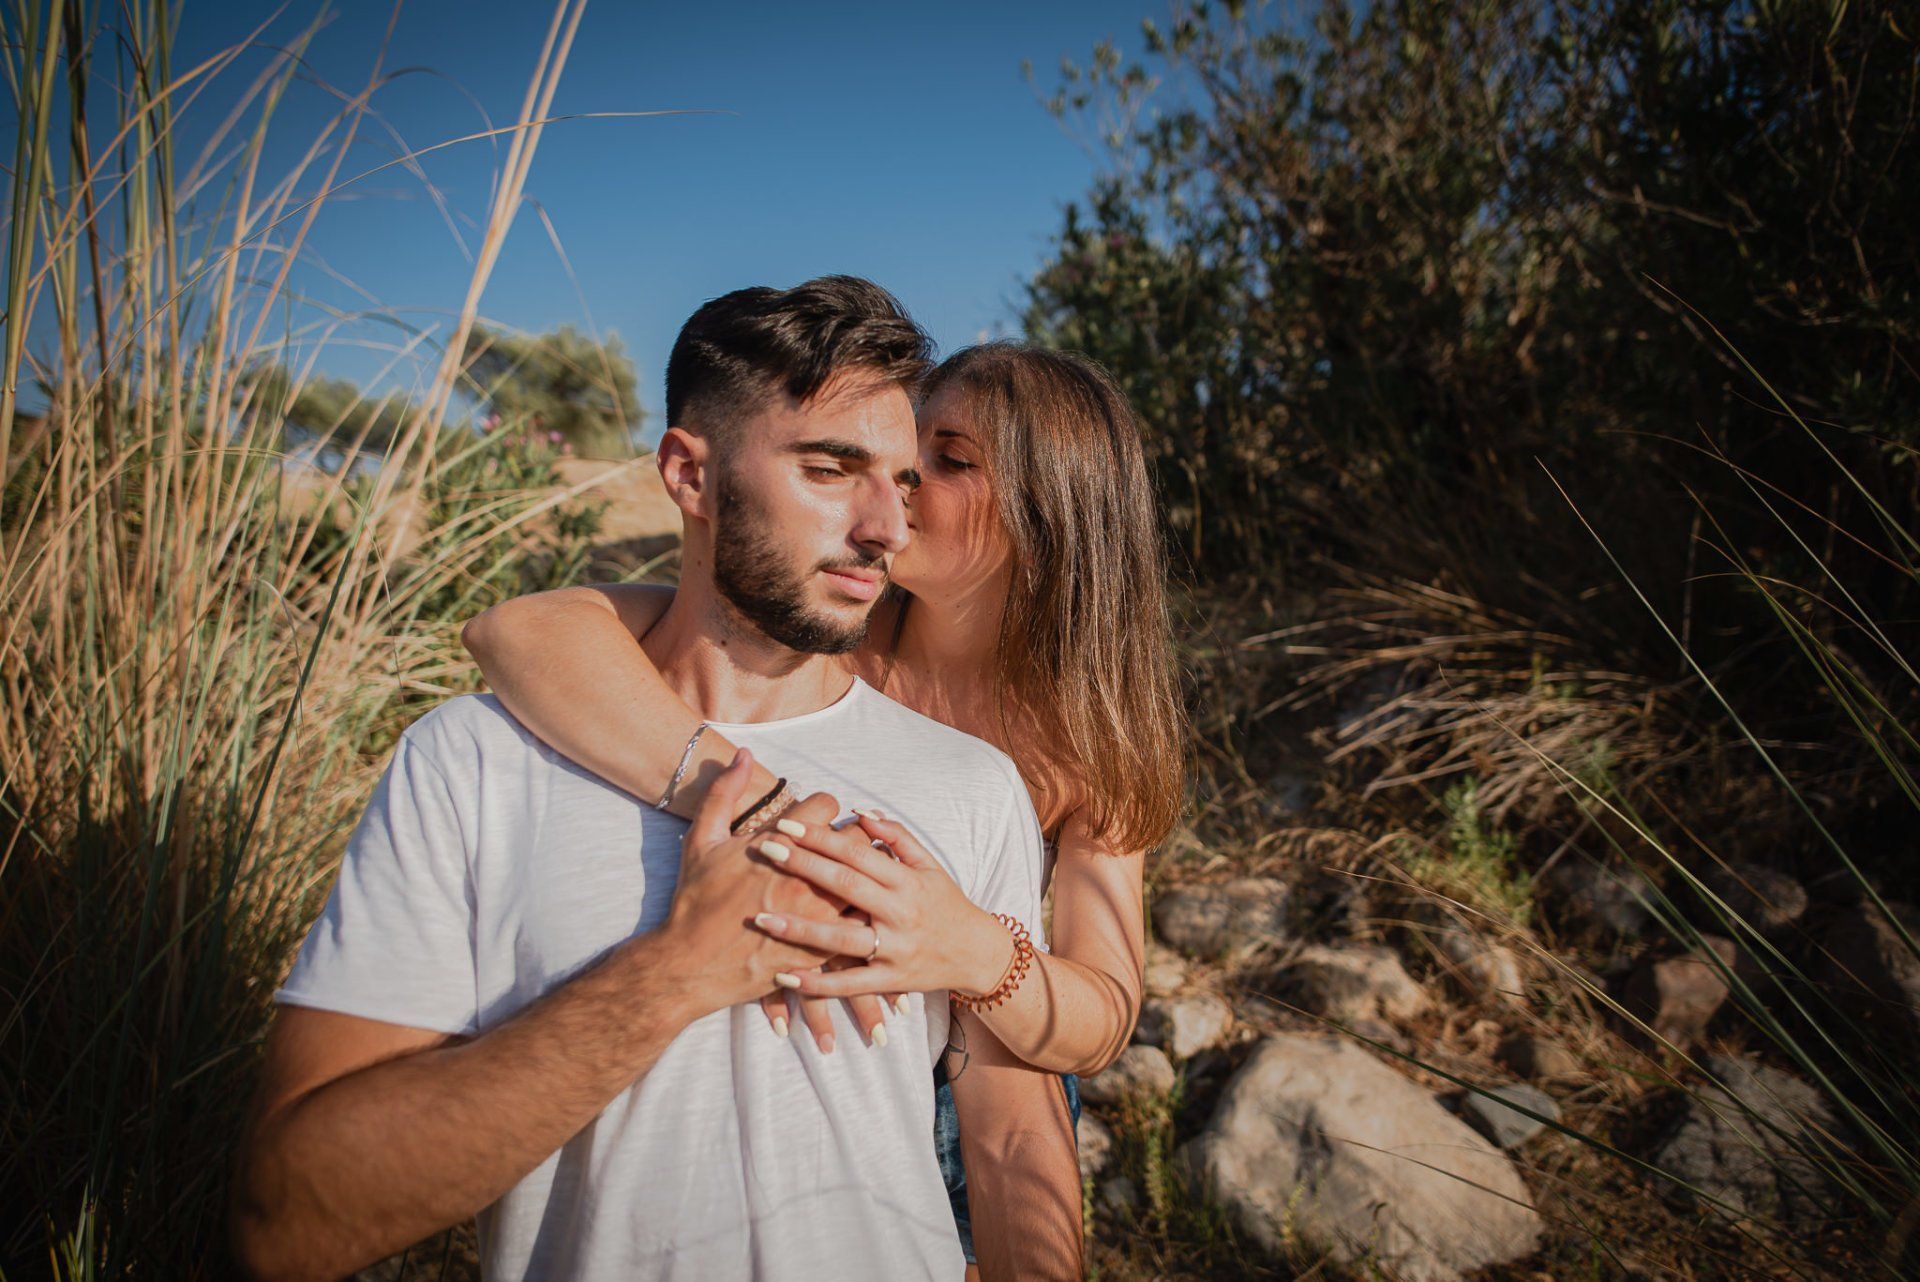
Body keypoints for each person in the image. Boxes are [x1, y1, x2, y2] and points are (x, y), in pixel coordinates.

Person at [230, 277, 1082, 1282]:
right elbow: (284, 1224)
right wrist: (677, 971)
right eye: (829, 469)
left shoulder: (969, 783)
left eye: (900, 482)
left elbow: (1012, 1138)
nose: (885, 527)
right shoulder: (474, 762)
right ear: (689, 475)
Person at [461, 336, 1186, 1268]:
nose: (898, 485)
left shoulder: (1088, 737)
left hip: (971, 1054)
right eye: (907, 448)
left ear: (1052, 512)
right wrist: (773, 814)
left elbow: (1103, 1015)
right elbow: (518, 631)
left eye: (949, 461)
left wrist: (963, 947)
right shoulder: (825, 629)